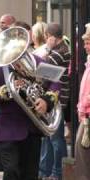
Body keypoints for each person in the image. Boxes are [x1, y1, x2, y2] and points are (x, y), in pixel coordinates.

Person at [0, 28, 61, 180]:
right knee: (11, 170)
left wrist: (46, 101)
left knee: (30, 174)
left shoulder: (37, 61)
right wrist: (12, 89)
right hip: (8, 128)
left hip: (32, 128)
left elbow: (55, 82)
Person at [38, 23, 70, 180]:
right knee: (50, 138)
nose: (45, 40)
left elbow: (42, 74)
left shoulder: (57, 54)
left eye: (46, 37)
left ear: (51, 37)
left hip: (55, 100)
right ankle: (48, 171)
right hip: (58, 99)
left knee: (55, 139)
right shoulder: (63, 50)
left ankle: (56, 172)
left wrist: (46, 54)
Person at [76, 22, 90, 180]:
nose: (85, 46)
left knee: (83, 156)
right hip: (85, 115)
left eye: (87, 43)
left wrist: (83, 105)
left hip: (88, 115)